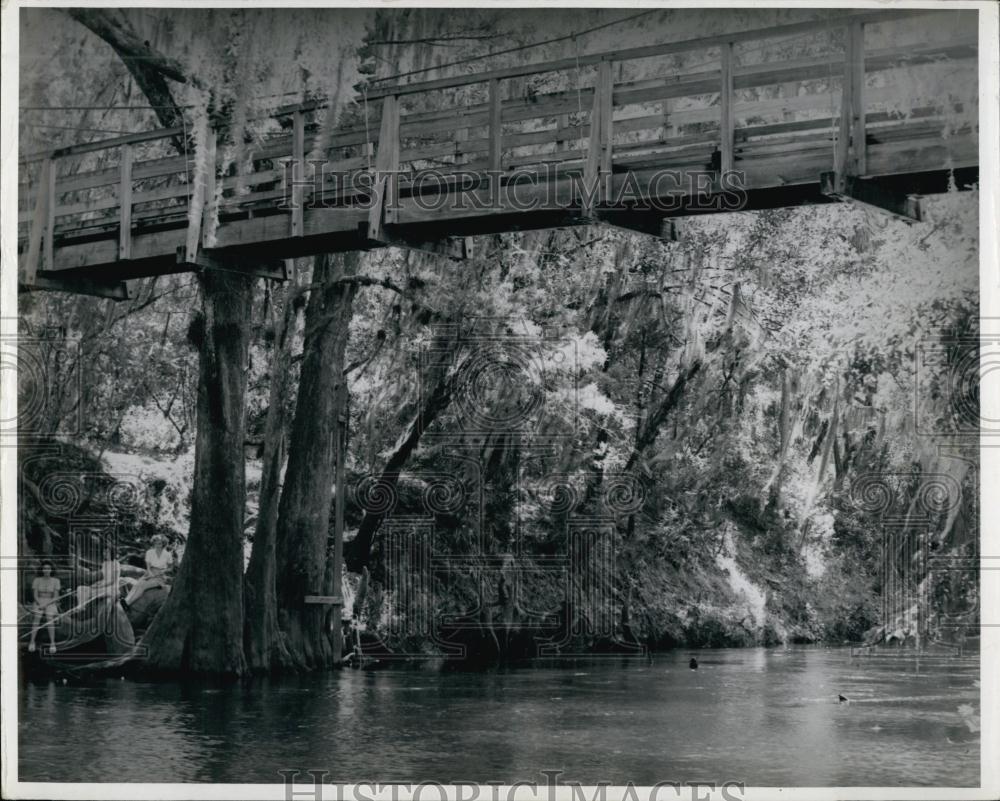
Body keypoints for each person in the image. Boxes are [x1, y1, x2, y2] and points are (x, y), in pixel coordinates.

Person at [123, 534, 173, 609]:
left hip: (160, 577)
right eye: (155, 543)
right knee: (138, 584)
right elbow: (148, 566)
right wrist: (149, 573)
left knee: (143, 586)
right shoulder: (149, 552)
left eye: (159, 543)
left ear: (163, 544)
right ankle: (125, 601)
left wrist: (162, 571)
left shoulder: (167, 554)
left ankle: (128, 604)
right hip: (150, 573)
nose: (157, 545)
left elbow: (171, 568)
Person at [28, 560, 60, 654]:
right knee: (37, 617)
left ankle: (52, 643)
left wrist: (46, 604)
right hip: (39, 601)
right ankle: (32, 642)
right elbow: (35, 595)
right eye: (44, 568)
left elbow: (55, 597)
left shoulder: (56, 581)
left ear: (51, 570)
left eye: (48, 568)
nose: (46, 570)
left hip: (50, 602)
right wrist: (40, 603)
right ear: (42, 570)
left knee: (49, 617)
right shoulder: (37, 580)